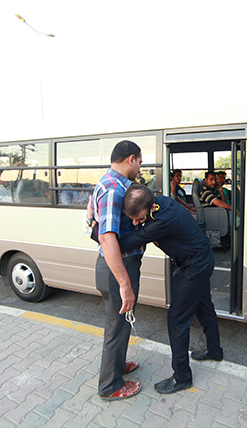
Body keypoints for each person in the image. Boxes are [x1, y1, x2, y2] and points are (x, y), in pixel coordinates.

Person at [118, 184, 223, 394]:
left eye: (139, 219)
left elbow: (124, 244)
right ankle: (214, 351)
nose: (135, 223)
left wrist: (94, 226)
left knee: (177, 320)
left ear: (149, 208)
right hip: (202, 258)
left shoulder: (161, 221)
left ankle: (182, 377)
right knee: (204, 306)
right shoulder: (161, 202)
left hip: (195, 267)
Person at [91, 140, 144, 401]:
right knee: (117, 326)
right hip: (118, 269)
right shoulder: (114, 189)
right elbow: (107, 237)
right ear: (130, 159)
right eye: (140, 162)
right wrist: (124, 283)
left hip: (117, 267)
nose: (140, 168)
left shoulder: (107, 182)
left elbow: (91, 216)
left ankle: (118, 366)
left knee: (121, 323)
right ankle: (110, 386)